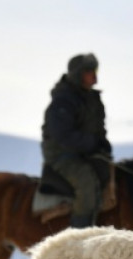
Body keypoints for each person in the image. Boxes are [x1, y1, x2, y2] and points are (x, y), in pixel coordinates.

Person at [40, 52, 112, 228]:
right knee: (86, 183)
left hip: (85, 153)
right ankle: (79, 235)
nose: (94, 76)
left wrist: (103, 145)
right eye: (89, 71)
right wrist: (92, 143)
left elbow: (98, 129)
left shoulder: (93, 99)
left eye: (95, 70)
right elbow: (62, 135)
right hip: (62, 154)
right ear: (78, 74)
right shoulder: (64, 100)